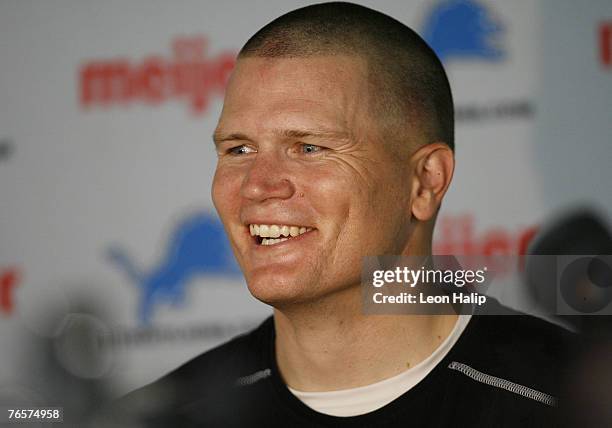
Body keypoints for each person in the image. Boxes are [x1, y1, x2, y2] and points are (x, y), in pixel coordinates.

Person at [105, 2, 576, 427]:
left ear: (425, 181)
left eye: (309, 147)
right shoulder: (162, 417)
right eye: (238, 148)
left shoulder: (579, 399)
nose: (257, 185)